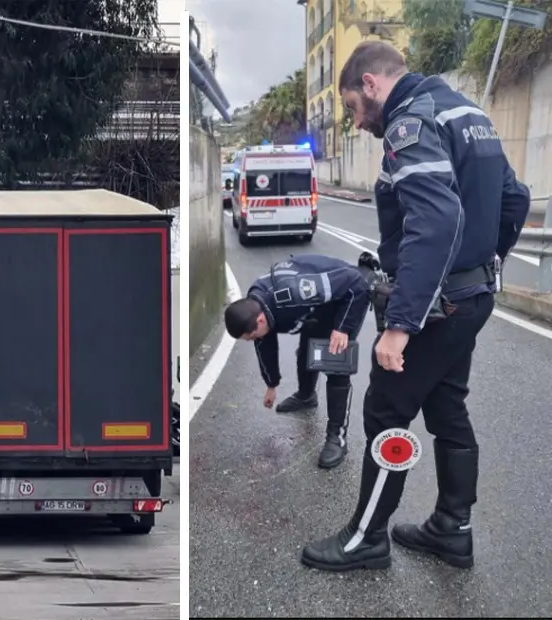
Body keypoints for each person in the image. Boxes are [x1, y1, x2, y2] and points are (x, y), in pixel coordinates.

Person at [300, 40, 530, 572]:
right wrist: (484, 264)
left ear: (372, 85)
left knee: (385, 409)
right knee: (447, 406)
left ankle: (366, 538)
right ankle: (453, 529)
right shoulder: (468, 113)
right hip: (470, 297)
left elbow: (436, 221)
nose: (356, 123)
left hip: (438, 305)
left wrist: (400, 324)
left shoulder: (410, 123)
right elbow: (514, 199)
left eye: (354, 108)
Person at [224, 254, 371, 469]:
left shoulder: (296, 291)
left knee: (335, 364)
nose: (252, 341)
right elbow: (265, 345)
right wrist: (271, 384)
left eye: (251, 336)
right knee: (307, 350)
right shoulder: (255, 304)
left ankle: (337, 437)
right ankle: (306, 396)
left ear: (261, 320)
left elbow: (355, 283)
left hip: (345, 298)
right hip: (315, 309)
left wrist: (343, 329)